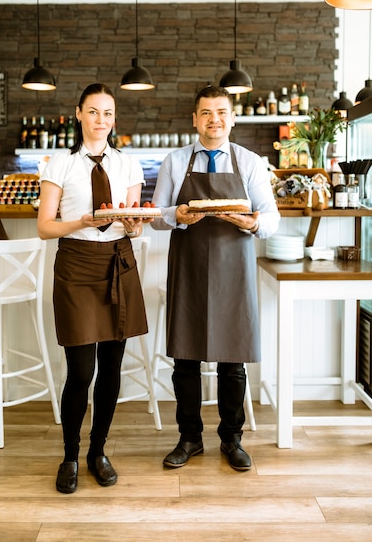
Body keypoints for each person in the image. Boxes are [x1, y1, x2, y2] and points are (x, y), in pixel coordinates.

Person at [151, 85, 280, 471]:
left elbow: (271, 218)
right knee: (185, 357)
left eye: (221, 112)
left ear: (232, 118)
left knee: (232, 359)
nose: (214, 120)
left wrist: (251, 221)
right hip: (188, 266)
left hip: (234, 268)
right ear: (195, 119)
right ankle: (189, 438)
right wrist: (177, 215)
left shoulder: (250, 162)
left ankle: (232, 439)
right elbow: (156, 216)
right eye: (206, 113)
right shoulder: (175, 162)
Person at [37, 83, 148, 493]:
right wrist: (79, 222)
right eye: (94, 111)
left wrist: (135, 226)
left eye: (109, 113)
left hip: (118, 263)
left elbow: (130, 221)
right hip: (77, 266)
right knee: (81, 371)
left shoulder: (128, 166)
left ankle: (97, 451)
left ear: (114, 119)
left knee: (112, 369)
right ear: (79, 114)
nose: (102, 120)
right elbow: (45, 226)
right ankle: (69, 455)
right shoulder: (59, 166)